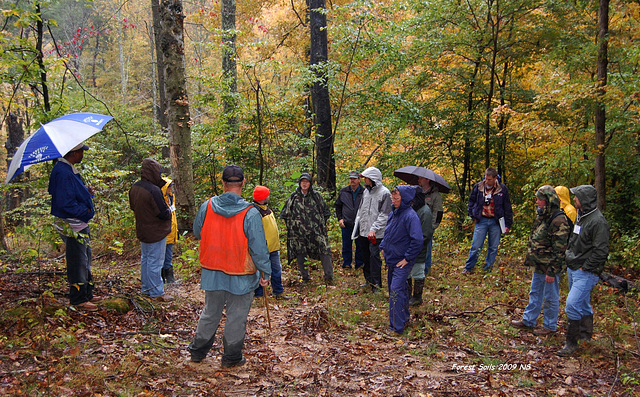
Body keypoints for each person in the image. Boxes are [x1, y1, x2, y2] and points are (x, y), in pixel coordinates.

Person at [188, 165, 271, 367]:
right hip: (240, 272)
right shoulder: (250, 213)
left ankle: (198, 352)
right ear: (243, 183)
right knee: (237, 316)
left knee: (210, 312)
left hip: (212, 269)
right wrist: (265, 271)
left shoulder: (206, 206)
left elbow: (198, 232)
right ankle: (231, 357)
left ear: (223, 183)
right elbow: (258, 247)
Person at [557, 185, 609, 357]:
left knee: (572, 304)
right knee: (583, 303)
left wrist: (586, 267)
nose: (574, 200)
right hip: (574, 267)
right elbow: (575, 239)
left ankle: (571, 343)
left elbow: (601, 251)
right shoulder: (582, 215)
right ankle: (586, 336)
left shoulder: (598, 221)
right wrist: (569, 257)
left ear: (584, 199)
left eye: (577, 197)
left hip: (585, 272)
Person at [511, 185, 570, 335]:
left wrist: (552, 270)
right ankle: (529, 320)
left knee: (550, 296)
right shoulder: (543, 216)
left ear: (548, 201)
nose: (537, 202)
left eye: (539, 199)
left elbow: (560, 249)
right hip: (538, 264)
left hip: (549, 266)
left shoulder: (558, 220)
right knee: (535, 292)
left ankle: (549, 326)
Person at [48, 143, 99, 311]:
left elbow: (70, 193)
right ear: (74, 153)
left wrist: (85, 191)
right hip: (73, 224)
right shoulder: (62, 172)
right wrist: (86, 212)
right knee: (78, 261)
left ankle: (87, 293)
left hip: (78, 223)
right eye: (81, 152)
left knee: (85, 257)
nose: (82, 155)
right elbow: (65, 202)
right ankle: (78, 299)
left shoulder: (67, 169)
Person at [380, 186, 423, 334]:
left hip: (401, 261)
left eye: (397, 198)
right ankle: (404, 318)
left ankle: (396, 328)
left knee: (395, 292)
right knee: (400, 289)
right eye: (393, 198)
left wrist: (408, 258)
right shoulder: (394, 213)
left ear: (404, 199)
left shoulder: (411, 216)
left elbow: (417, 240)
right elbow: (388, 232)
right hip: (392, 259)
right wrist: (383, 247)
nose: (394, 201)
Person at [129, 158, 174, 301]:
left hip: (143, 229)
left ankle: (146, 289)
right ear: (153, 172)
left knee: (146, 260)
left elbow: (133, 207)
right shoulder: (153, 190)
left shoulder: (135, 187)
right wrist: (169, 210)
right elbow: (162, 213)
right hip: (156, 232)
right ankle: (156, 293)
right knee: (155, 262)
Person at [280, 172, 333, 284]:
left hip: (315, 232)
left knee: (324, 250)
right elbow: (284, 213)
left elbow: (326, 212)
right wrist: (293, 226)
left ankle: (329, 276)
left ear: (310, 183)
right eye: (302, 182)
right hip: (298, 234)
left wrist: (318, 224)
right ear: (299, 183)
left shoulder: (316, 196)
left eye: (307, 182)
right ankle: (305, 277)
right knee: (300, 253)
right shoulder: (293, 197)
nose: (304, 184)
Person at [464, 167, 513, 273]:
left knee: (493, 247)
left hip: (496, 221)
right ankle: (469, 268)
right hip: (481, 220)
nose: (487, 181)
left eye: (489, 179)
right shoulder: (479, 187)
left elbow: (507, 207)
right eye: (486, 178)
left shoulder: (502, 189)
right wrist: (473, 215)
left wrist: (508, 224)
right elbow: (471, 202)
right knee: (476, 246)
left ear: (495, 178)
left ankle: (488, 269)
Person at [352, 167, 392, 292]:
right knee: (365, 256)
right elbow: (361, 210)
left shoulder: (385, 193)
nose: (365, 180)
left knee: (374, 257)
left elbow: (385, 214)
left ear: (373, 179)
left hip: (376, 233)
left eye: (366, 178)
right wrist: (358, 225)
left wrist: (374, 228)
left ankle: (376, 284)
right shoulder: (366, 192)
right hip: (364, 231)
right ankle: (368, 280)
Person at [252, 185, 288, 300]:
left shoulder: (266, 209)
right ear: (262, 197)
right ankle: (259, 294)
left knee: (276, 270)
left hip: (273, 248)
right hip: (263, 249)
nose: (269, 196)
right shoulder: (255, 212)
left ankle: (278, 291)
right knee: (260, 272)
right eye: (267, 195)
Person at [407, 187, 433, 306]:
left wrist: (416, 245)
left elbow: (426, 234)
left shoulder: (425, 212)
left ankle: (417, 297)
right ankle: (406, 295)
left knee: (418, 271)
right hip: (408, 246)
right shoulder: (412, 209)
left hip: (419, 248)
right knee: (407, 272)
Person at [334, 171, 364, 269]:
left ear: (359, 180)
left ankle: (359, 264)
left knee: (360, 245)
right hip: (346, 223)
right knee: (346, 245)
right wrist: (340, 219)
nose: (352, 181)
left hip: (360, 224)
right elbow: (338, 206)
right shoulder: (344, 191)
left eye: (354, 179)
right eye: (351, 179)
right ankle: (347, 264)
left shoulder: (364, 192)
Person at [417, 177, 443, 274]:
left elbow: (438, 212)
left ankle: (425, 270)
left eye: (421, 178)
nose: (418, 180)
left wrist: (432, 227)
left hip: (427, 227)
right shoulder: (417, 192)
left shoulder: (435, 195)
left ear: (427, 180)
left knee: (427, 248)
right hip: (416, 226)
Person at [161, 178, 178, 284]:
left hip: (171, 232)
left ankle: (170, 278)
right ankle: (161, 278)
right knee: (161, 257)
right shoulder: (161, 200)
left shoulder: (171, 197)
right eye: (169, 186)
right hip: (163, 233)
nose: (171, 188)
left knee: (168, 256)